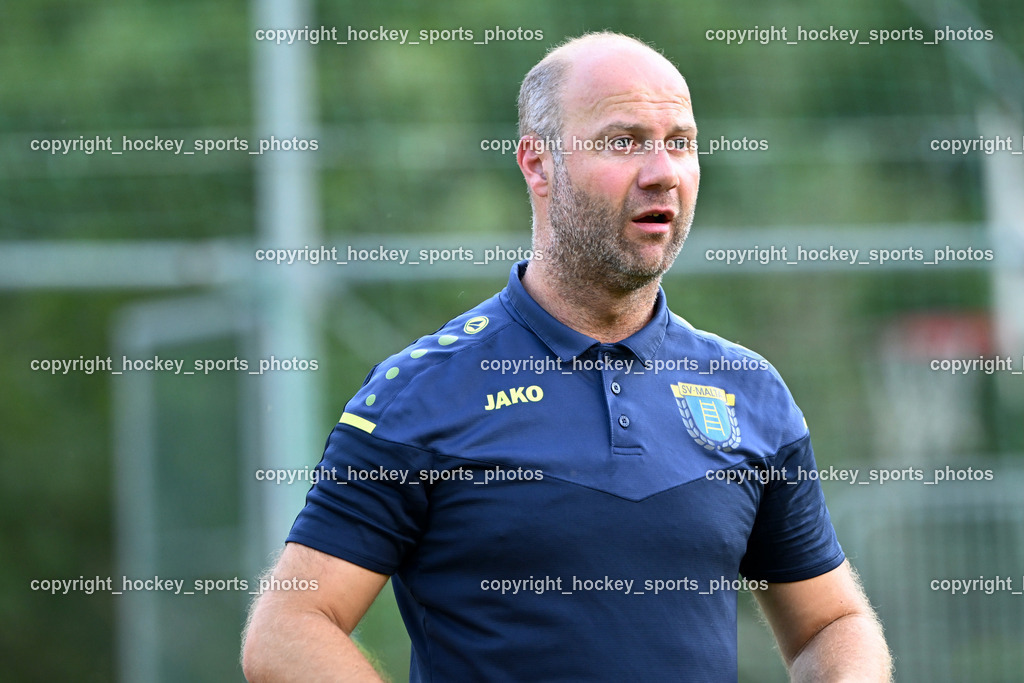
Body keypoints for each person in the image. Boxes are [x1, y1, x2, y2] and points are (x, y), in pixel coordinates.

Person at [242, 31, 892, 681]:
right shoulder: (422, 396)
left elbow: (831, 623)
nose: (662, 170)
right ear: (537, 162)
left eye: (681, 142)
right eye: (624, 141)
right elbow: (291, 628)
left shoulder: (749, 391)